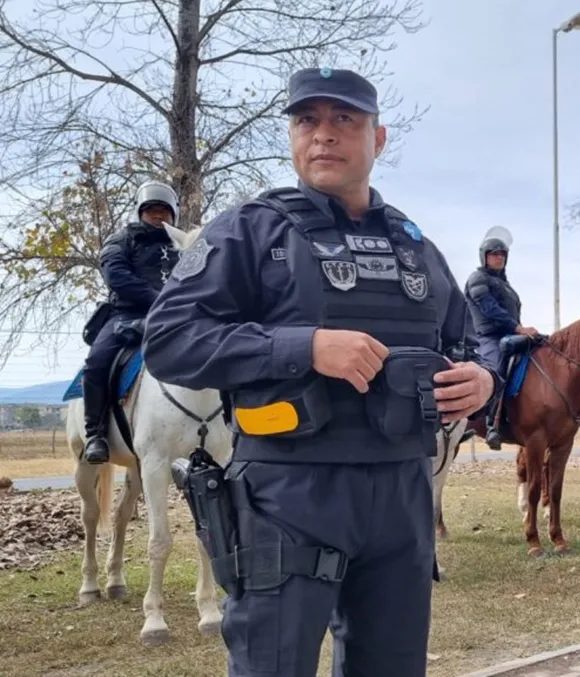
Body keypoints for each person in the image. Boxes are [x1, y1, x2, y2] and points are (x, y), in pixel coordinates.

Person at [141, 67, 500, 677]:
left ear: (377, 139)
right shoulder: (248, 230)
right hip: (287, 492)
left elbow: (472, 342)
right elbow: (170, 340)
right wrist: (303, 347)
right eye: (307, 120)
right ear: (291, 136)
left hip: (402, 494)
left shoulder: (415, 245)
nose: (323, 134)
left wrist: (483, 380)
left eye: (344, 120)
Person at [80, 181, 181, 464]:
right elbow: (116, 275)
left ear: (174, 214)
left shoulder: (185, 245)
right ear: (140, 213)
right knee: (96, 363)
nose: (158, 215)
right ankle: (96, 434)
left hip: (176, 317)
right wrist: (158, 299)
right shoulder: (121, 240)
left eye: (164, 210)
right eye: (151, 210)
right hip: (125, 317)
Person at [464, 231, 536, 372]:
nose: (500, 257)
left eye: (502, 254)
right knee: (493, 374)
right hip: (488, 337)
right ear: (484, 256)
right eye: (494, 254)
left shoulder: (505, 285)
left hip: (510, 336)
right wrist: (519, 328)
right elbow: (490, 309)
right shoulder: (478, 278)